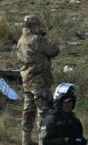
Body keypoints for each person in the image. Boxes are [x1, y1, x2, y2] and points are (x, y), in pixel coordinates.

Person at [17, 15, 59, 145]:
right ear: (33, 26)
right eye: (38, 25)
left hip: (27, 80)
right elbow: (54, 51)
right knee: (44, 111)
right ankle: (43, 140)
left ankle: (26, 139)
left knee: (28, 110)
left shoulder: (21, 40)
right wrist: (45, 38)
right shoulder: (37, 39)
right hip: (40, 81)